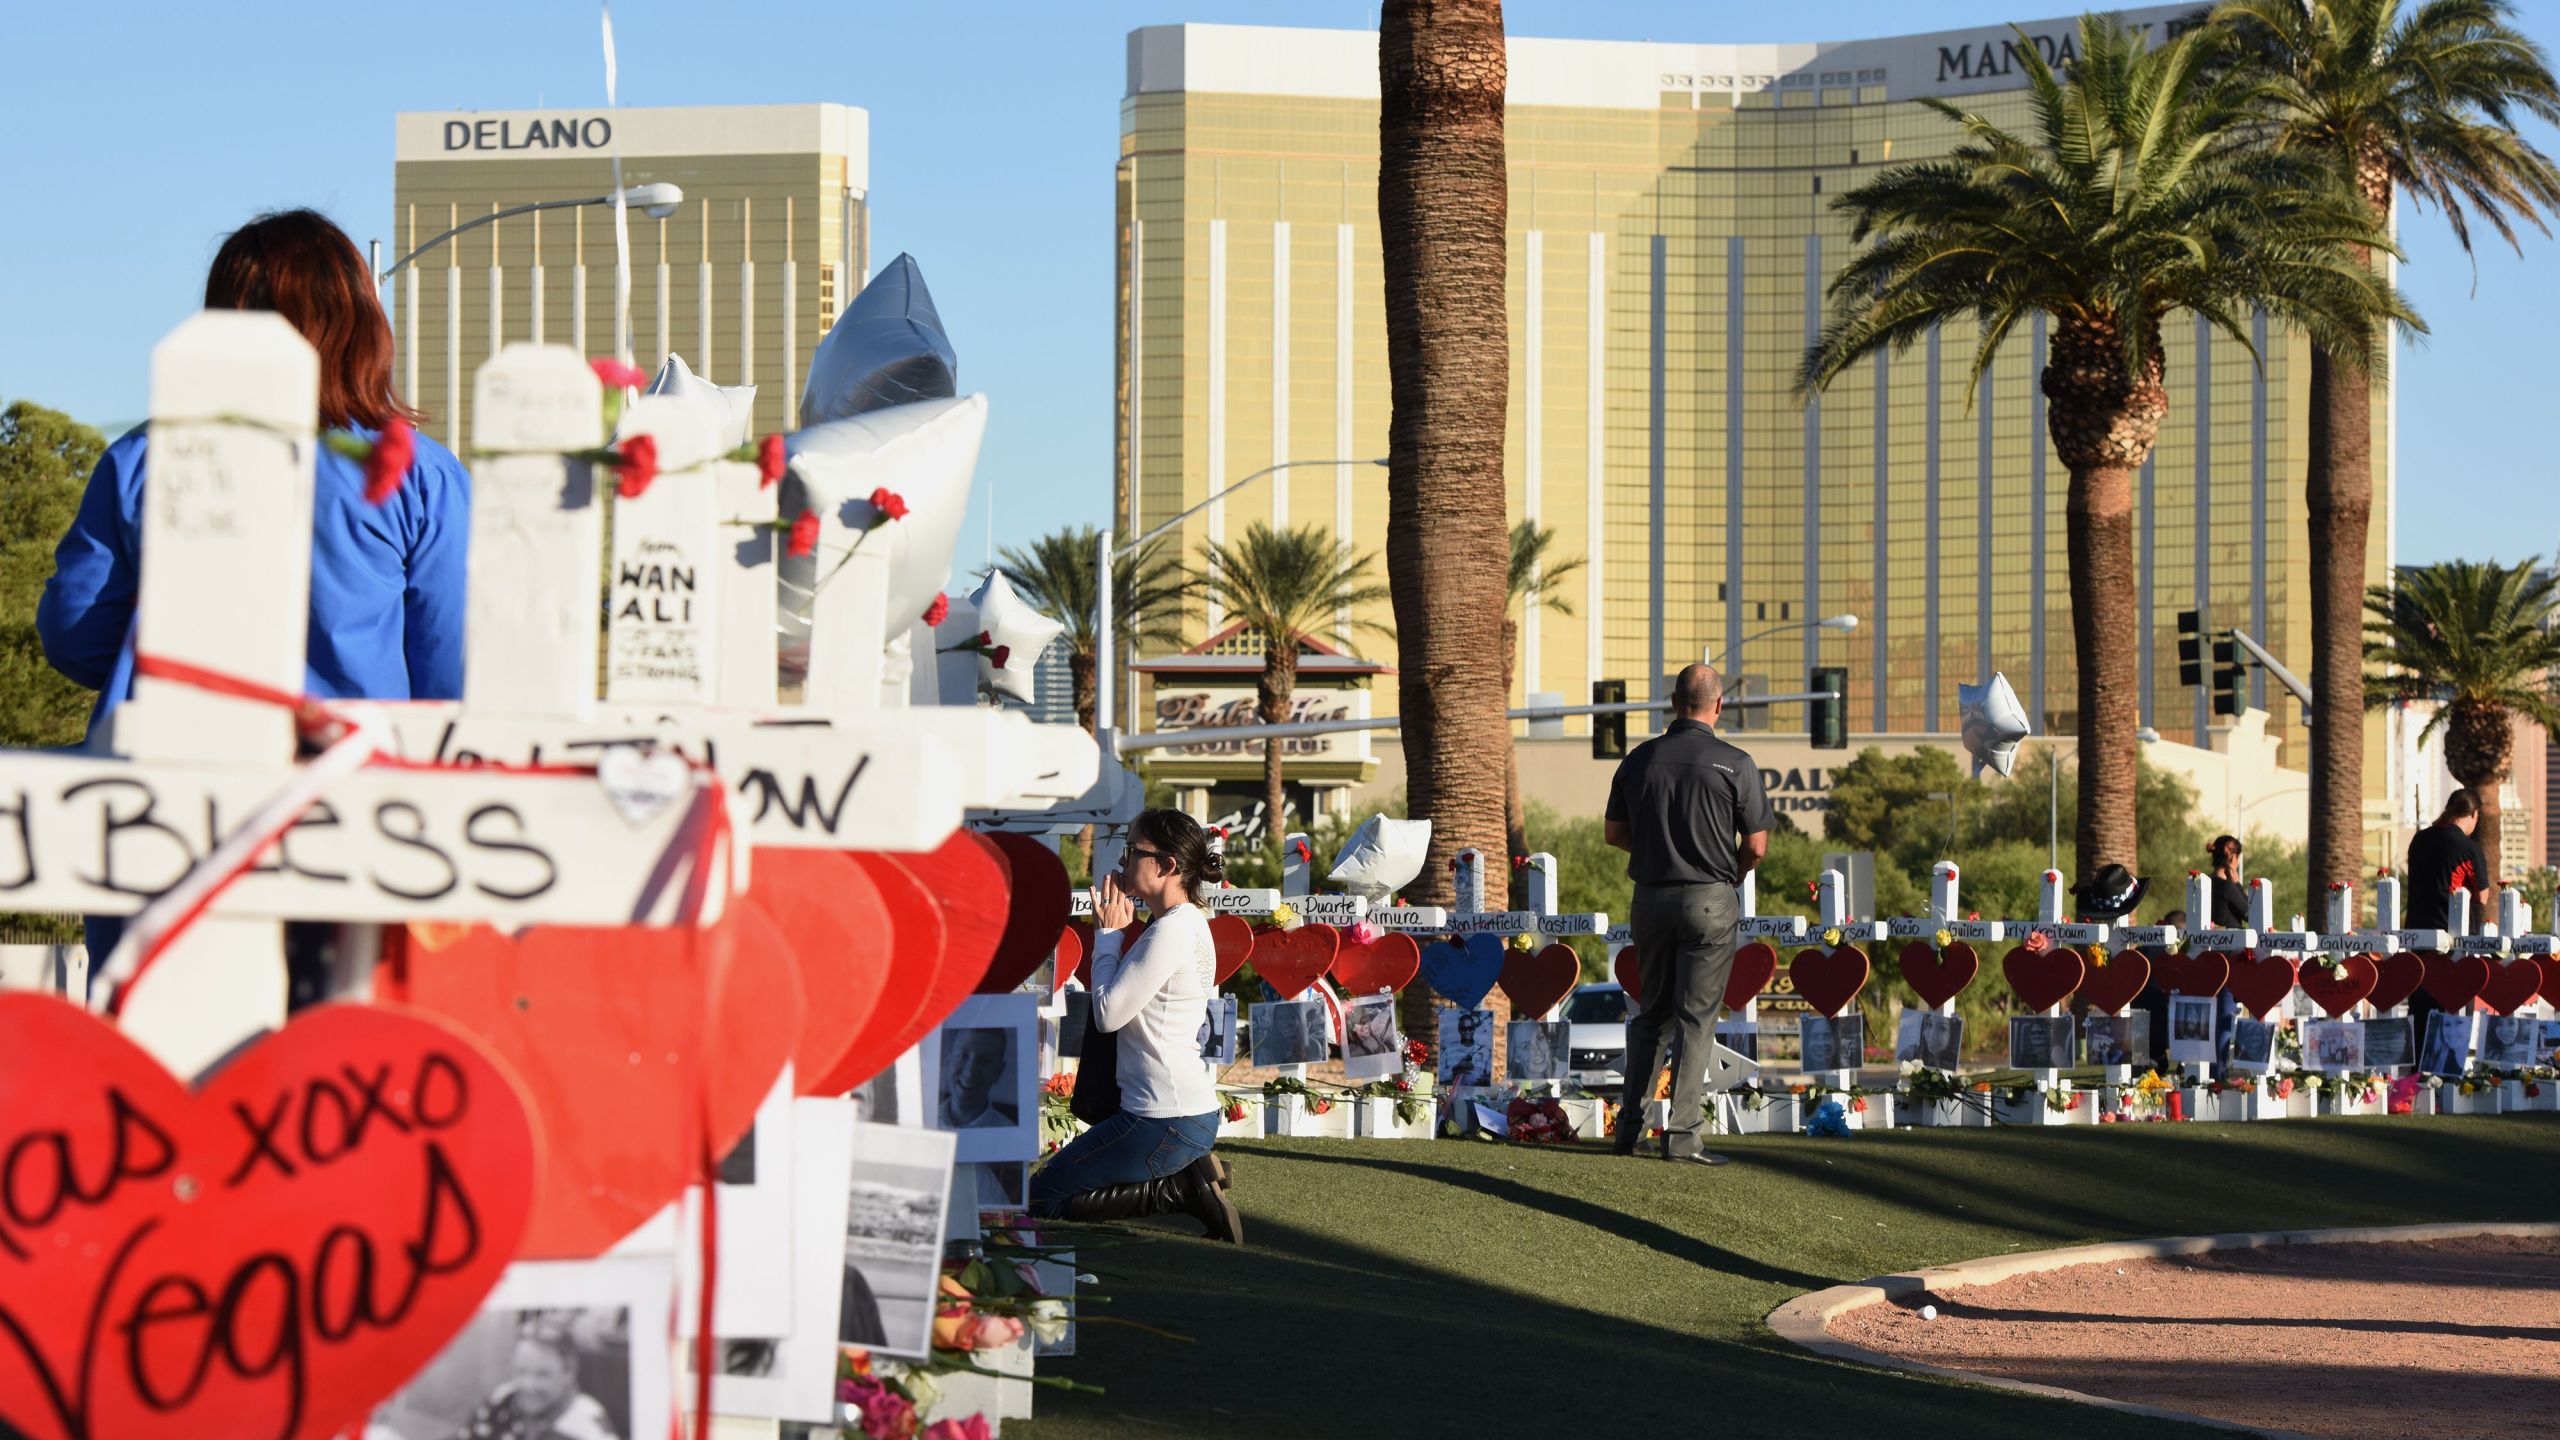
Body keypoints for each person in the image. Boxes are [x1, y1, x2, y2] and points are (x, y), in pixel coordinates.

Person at [38, 208, 471, 980]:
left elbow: (74, 629)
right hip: (355, 811)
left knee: (155, 1048)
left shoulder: (141, 460)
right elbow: (453, 675)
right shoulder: (418, 477)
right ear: (363, 324)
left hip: (164, 807)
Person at [1028, 809, 1240, 1242]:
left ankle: (1178, 1190)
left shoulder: (1171, 932)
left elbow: (1108, 1014)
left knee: (1039, 1201)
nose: (1121, 862)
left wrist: (1107, 937)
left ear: (1166, 866)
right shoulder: (1179, 924)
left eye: (1132, 851)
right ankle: (1184, 1176)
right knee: (1043, 1193)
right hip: (1174, 1112)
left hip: (1165, 1117)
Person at [1603, 663, 1772, 1166]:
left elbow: (1613, 835)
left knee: (1649, 1014)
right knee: (1696, 1019)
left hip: (1650, 899)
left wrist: (1655, 854)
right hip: (1710, 898)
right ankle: (1681, 1137)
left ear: (1673, 703)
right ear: (1718, 706)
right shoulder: (1735, 763)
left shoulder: (1639, 760)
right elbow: (1758, 847)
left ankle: (1627, 1130)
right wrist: (1732, 873)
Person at [2406, 789, 2496, 1046]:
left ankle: (2418, 1067)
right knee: (2447, 1002)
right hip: (2449, 940)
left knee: (2420, 1001)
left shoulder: (2420, 840)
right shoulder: (2468, 848)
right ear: (2473, 815)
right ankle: (2442, 1069)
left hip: (2417, 935)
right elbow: (2482, 897)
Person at [445, 1324, 619, 1440]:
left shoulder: (588, 1428)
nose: (528, 1385)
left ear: (569, 1372)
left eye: (543, 1374)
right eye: (521, 1371)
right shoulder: (503, 1397)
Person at [938, 1029, 1018, 1129]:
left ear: (998, 1072)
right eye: (963, 1055)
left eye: (984, 1060)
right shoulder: (921, 1120)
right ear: (948, 1062)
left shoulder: (1012, 1134)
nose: (970, 1072)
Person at [2206, 836, 2250, 928]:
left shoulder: (2204, 883)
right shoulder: (2227, 886)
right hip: (2232, 941)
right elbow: (2250, 915)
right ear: (2233, 858)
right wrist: (2237, 884)